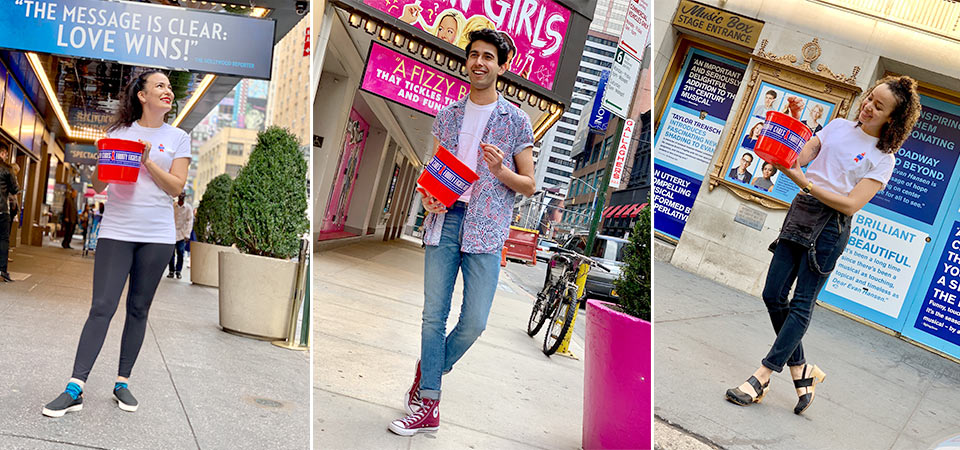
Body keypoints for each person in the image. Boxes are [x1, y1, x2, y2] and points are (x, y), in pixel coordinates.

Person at [725, 76, 921, 415]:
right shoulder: (838, 127)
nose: (869, 106)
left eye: (879, 105)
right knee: (772, 294)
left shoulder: (883, 159)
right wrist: (796, 119)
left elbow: (850, 204)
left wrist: (807, 184)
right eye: (870, 98)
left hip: (831, 227)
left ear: (892, 119)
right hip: (801, 212)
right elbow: (795, 158)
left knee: (802, 303)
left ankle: (763, 376)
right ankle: (802, 370)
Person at [388, 28, 536, 436]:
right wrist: (427, 197)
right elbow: (434, 171)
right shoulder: (449, 114)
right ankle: (430, 404)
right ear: (466, 61)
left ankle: (430, 367)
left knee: (475, 321)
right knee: (432, 316)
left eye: (489, 57)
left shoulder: (516, 120)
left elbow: (529, 183)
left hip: (487, 229)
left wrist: (499, 171)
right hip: (444, 220)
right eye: (474, 55)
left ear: (502, 67)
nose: (479, 62)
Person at [42, 70, 191, 418]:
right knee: (102, 306)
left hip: (157, 236)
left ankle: (122, 382)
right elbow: (100, 184)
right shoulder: (118, 133)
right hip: (117, 231)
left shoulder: (178, 137)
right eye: (160, 86)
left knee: (138, 309)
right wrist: (101, 155)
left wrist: (147, 161)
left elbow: (175, 188)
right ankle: (74, 387)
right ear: (142, 95)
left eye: (169, 87)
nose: (167, 91)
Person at [0, 144, 19, 282]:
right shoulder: (7, 169)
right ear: (3, 153)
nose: (6, 156)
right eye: (6, 154)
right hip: (2, 210)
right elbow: (14, 189)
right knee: (3, 240)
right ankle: (2, 270)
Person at [167, 192, 194, 279]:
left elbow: (190, 221)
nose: (181, 196)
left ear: (185, 197)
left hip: (182, 234)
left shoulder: (188, 208)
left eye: (183, 195)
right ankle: (171, 271)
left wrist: (187, 234)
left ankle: (178, 271)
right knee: (171, 254)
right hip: (172, 233)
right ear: (178, 196)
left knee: (180, 253)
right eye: (180, 195)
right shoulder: (173, 206)